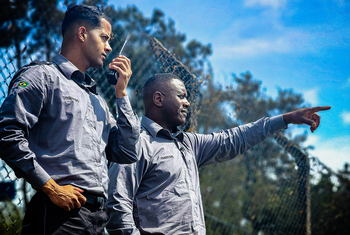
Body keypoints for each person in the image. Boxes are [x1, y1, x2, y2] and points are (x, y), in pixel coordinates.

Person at [106, 73, 331, 234]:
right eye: (182, 96)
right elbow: (118, 204)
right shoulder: (135, 144)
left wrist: (285, 119)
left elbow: (234, 139)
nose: (187, 103)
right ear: (158, 99)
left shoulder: (188, 144)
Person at [0, 4, 141, 235]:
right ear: (83, 34)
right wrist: (51, 187)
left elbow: (127, 151)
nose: (109, 46)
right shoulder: (41, 76)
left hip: (97, 219)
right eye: (104, 37)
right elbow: (6, 132)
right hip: (57, 214)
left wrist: (121, 94)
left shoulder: (99, 101)